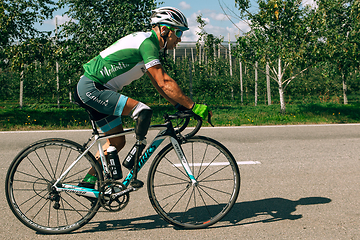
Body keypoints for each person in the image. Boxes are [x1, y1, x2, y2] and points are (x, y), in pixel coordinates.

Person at [74, 7, 211, 188]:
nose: (179, 38)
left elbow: (158, 83)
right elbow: (164, 82)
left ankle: (87, 183)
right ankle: (134, 168)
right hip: (93, 89)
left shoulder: (147, 42)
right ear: (164, 30)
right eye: (178, 32)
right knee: (143, 110)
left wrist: (178, 105)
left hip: (94, 89)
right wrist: (193, 106)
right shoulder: (147, 44)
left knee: (117, 141)